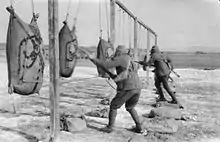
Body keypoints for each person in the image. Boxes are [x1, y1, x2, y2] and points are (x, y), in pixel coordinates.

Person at [85, 45, 145, 134]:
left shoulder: (122, 58)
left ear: (119, 52)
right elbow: (125, 74)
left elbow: (106, 65)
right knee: (130, 107)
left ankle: (110, 127)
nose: (115, 54)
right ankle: (140, 128)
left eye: (117, 52)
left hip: (128, 87)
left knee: (113, 106)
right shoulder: (130, 59)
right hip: (137, 87)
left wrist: (93, 58)